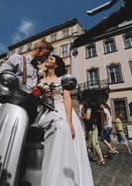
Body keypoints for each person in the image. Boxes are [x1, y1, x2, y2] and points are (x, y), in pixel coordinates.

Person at [37, 55, 93, 186]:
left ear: (56, 64)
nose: (47, 59)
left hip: (61, 110)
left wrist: (70, 123)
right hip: (44, 111)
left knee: (64, 137)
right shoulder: (40, 80)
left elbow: (67, 99)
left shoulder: (63, 79)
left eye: (51, 59)